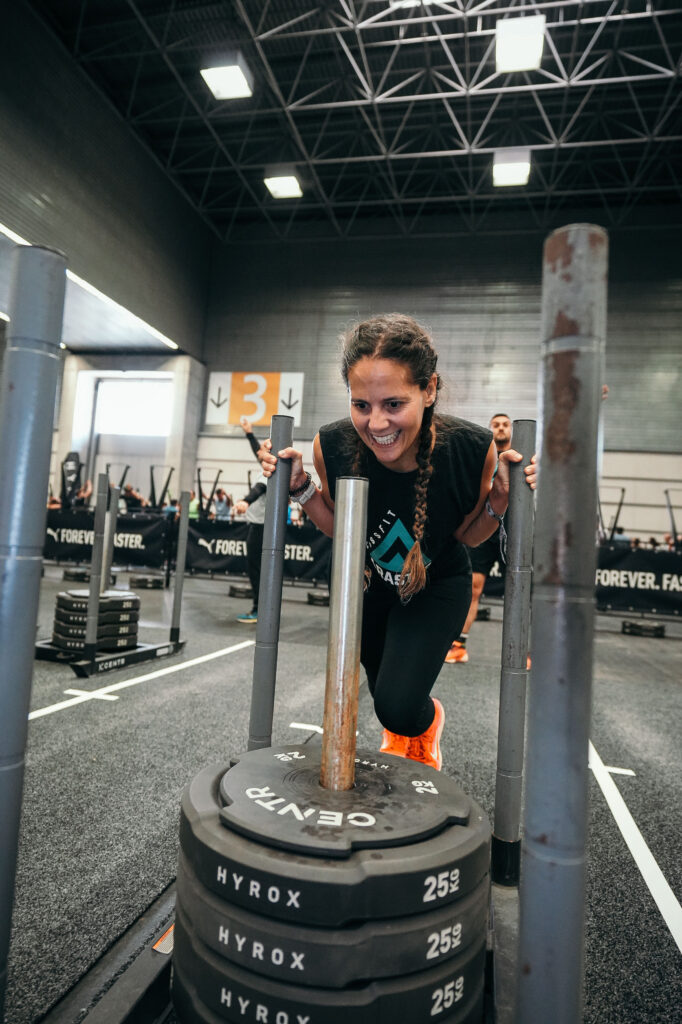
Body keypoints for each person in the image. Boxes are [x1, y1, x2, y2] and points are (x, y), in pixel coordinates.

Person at [261, 314, 535, 770]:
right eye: (361, 405)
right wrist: (300, 487)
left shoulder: (471, 450)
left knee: (397, 707)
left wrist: (502, 500)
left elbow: (470, 535)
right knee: (381, 691)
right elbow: (339, 527)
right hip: (369, 588)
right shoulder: (332, 444)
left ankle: (423, 725)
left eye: (393, 403)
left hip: (436, 585)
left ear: (428, 390)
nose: (376, 422)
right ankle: (406, 731)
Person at [445, 412, 512, 664]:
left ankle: (524, 652)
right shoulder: (484, 456)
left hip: (513, 531)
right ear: (490, 429)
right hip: (485, 528)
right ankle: (458, 645)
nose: (501, 428)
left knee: (519, 591)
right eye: (496, 424)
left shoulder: (520, 456)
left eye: (505, 424)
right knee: (473, 587)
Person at [233, 473, 267, 623]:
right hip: (260, 526)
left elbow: (259, 489)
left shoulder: (268, 473)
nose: (260, 449)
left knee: (256, 569)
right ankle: (261, 609)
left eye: (263, 447)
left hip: (260, 527)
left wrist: (246, 501)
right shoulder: (266, 469)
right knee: (258, 569)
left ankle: (258, 610)